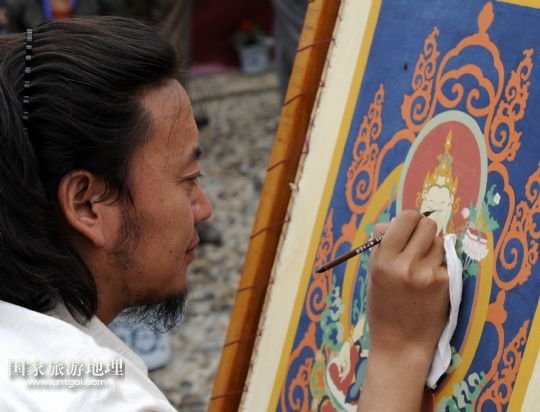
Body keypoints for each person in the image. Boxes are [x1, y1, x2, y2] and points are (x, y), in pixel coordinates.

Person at [0, 17, 448, 411]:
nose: (204, 207)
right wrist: (399, 349)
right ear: (87, 204)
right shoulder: (95, 401)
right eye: (187, 178)